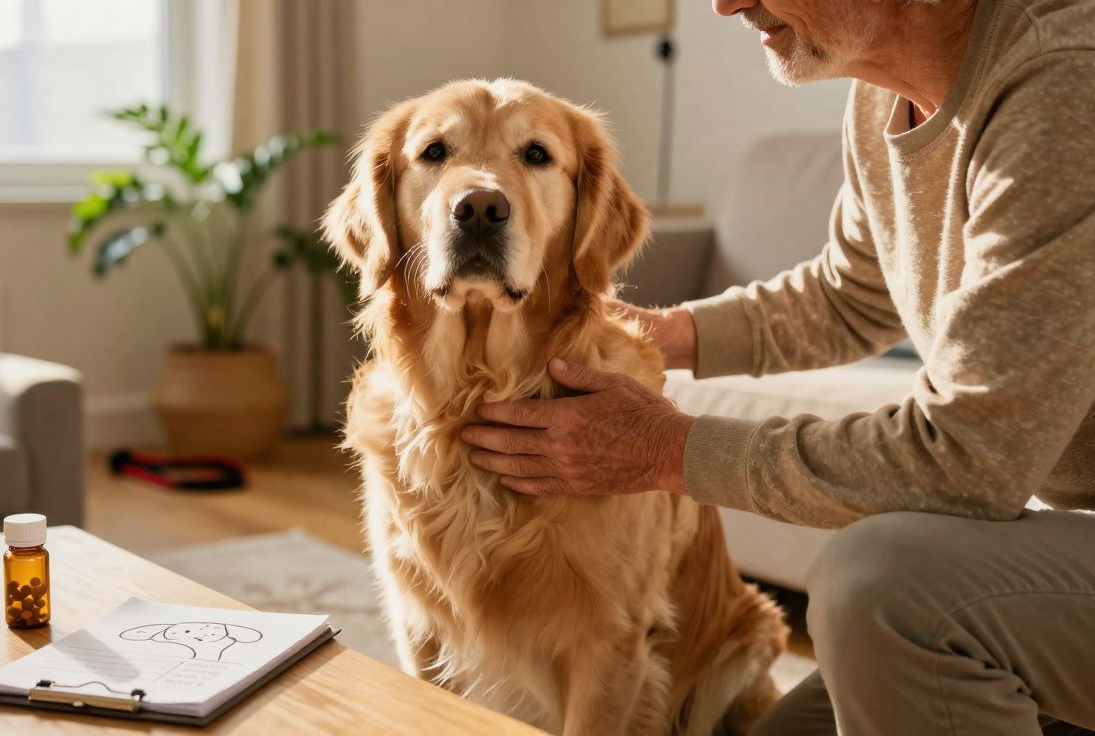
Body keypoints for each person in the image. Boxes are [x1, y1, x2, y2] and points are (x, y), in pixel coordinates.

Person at [459, 0, 1095, 733]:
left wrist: (665, 449)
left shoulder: (1064, 78)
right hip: (1066, 532)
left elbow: (968, 459)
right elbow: (851, 295)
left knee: (880, 585)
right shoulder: (883, 98)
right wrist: (668, 333)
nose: (726, 2)